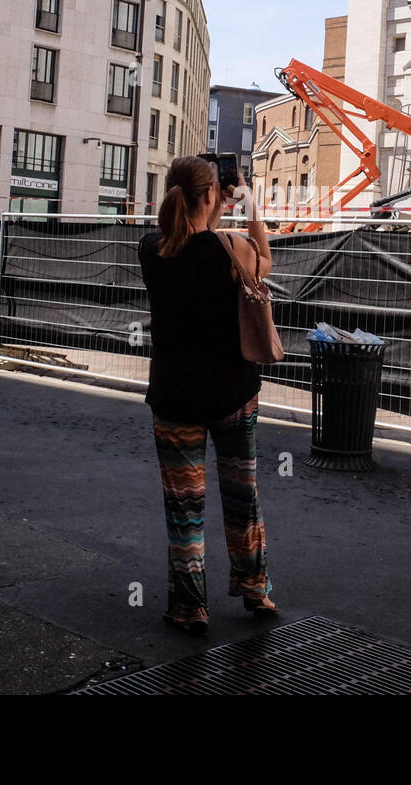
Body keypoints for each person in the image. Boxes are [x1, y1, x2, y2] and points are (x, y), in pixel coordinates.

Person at [137, 157, 276, 636]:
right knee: (242, 497)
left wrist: (214, 203)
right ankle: (255, 588)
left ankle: (190, 607)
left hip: (174, 394)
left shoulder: (150, 248)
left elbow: (183, 237)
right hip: (233, 392)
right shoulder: (232, 247)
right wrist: (251, 202)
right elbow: (265, 260)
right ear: (214, 194)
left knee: (184, 507)